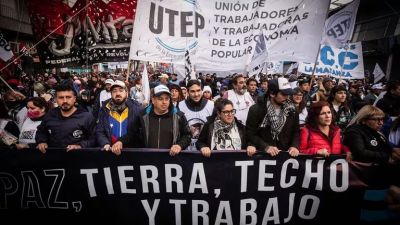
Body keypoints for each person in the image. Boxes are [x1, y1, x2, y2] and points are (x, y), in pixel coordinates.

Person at [121, 85, 191, 156]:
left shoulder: (179, 116)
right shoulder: (142, 116)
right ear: (153, 100)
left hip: (171, 161)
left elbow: (187, 136)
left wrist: (179, 145)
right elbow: (132, 134)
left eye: (167, 99)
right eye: (160, 99)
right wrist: (121, 142)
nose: (164, 102)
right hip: (148, 161)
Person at [246, 77, 300, 157]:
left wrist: (294, 146)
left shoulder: (293, 109)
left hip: (285, 156)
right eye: (283, 94)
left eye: (288, 94)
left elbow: (296, 131)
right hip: (264, 156)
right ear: (272, 94)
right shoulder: (256, 110)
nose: (287, 97)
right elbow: (251, 133)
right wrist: (265, 147)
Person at [36, 85, 96, 153]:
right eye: (61, 97)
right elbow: (41, 131)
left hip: (77, 158)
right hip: (53, 158)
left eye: (68, 97)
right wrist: (41, 141)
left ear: (74, 99)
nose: (65, 101)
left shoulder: (86, 117)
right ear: (56, 99)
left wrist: (80, 146)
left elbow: (94, 138)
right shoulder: (50, 114)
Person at [96, 80, 142, 155]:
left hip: (132, 153)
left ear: (126, 93)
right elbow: (99, 130)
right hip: (109, 152)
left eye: (121, 90)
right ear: (111, 94)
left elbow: (138, 132)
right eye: (114, 91)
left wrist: (122, 142)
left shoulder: (137, 108)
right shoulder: (104, 109)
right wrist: (105, 143)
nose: (118, 93)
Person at [178, 80, 214, 150]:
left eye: (198, 90)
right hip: (185, 150)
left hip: (206, 150)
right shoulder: (180, 105)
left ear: (201, 91)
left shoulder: (211, 105)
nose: (196, 94)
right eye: (192, 91)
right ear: (188, 92)